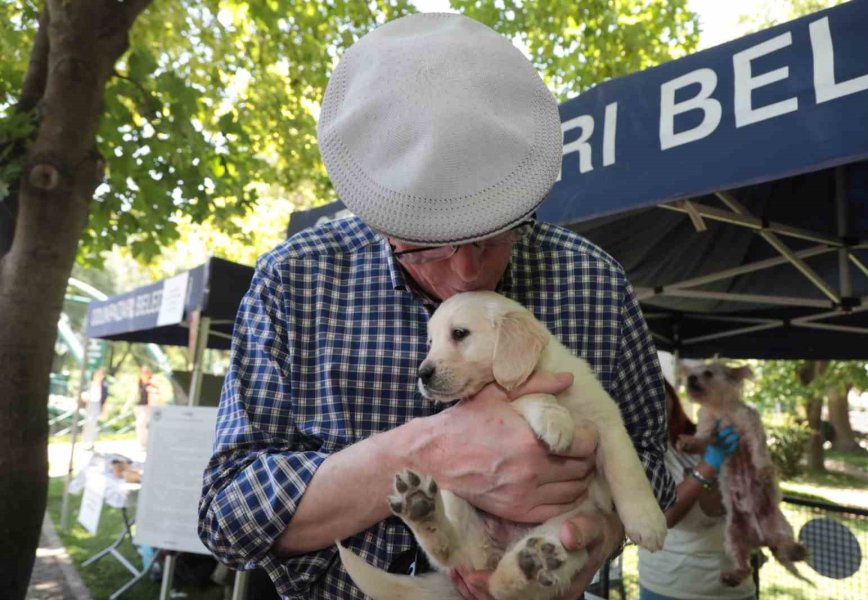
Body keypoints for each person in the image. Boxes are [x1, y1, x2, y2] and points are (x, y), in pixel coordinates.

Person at [199, 13, 674, 600]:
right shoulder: (298, 279)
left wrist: (595, 531)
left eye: (496, 234)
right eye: (428, 246)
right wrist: (431, 451)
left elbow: (654, 458)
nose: (468, 271)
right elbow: (227, 514)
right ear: (379, 222)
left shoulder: (594, 282)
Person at [638, 380, 755, 600]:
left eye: (660, 393)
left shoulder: (698, 436)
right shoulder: (639, 451)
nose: (655, 401)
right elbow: (664, 517)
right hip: (670, 587)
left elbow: (732, 503)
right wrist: (710, 463)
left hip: (735, 586)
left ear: (671, 396)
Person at [81, 367, 108, 449]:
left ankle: (91, 442)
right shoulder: (90, 383)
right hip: (89, 404)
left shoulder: (104, 386)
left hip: (97, 405)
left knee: (93, 423)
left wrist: (104, 410)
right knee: (87, 423)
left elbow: (105, 398)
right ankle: (85, 441)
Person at [133, 365, 158, 449]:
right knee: (140, 425)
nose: (144, 375)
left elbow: (157, 394)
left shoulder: (152, 383)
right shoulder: (139, 383)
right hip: (139, 406)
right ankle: (141, 443)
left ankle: (145, 443)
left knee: (144, 425)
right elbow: (135, 394)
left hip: (148, 407)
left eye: (146, 373)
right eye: (143, 373)